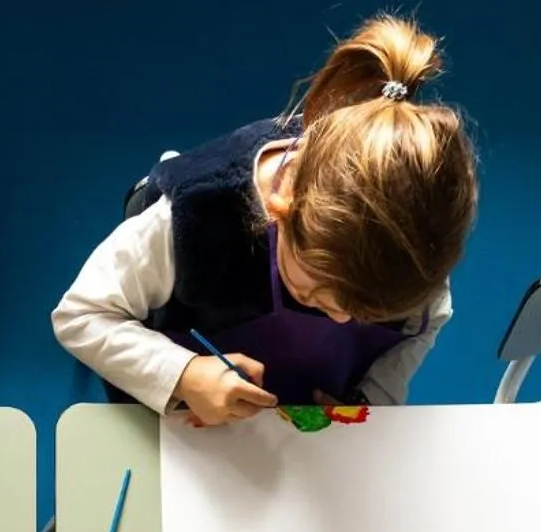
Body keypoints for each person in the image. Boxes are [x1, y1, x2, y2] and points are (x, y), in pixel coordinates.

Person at [51, 14, 477, 424]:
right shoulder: (199, 217)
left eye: (365, 310)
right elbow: (80, 315)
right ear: (282, 206)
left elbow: (427, 321)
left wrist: (369, 401)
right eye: (319, 292)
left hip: (300, 428)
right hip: (184, 415)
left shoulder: (414, 252)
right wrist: (183, 375)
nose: (343, 318)